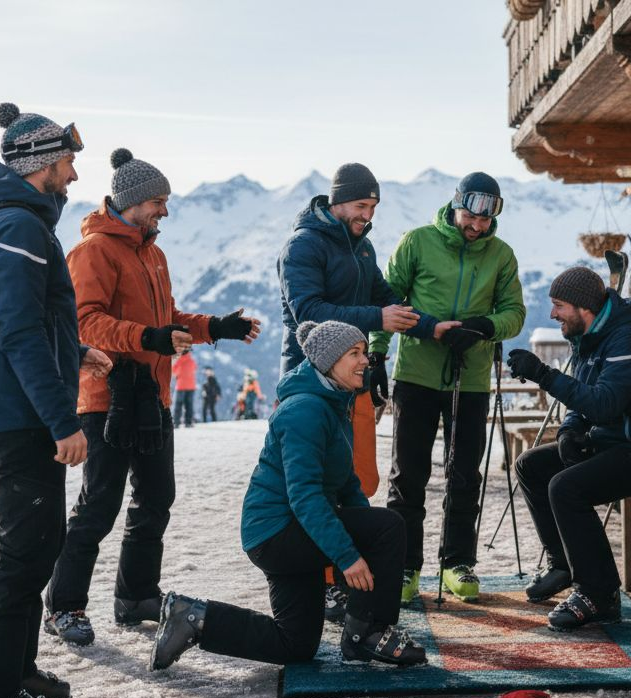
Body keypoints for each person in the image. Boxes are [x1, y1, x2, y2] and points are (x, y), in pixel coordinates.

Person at [45, 148, 261, 648]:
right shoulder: (95, 250)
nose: (164, 211)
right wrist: (148, 339)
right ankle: (63, 605)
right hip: (105, 400)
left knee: (156, 498)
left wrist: (214, 327)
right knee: (98, 506)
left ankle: (136, 596)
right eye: (158, 202)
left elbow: (167, 317)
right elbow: (84, 322)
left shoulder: (151, 251)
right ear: (133, 202)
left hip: (153, 399)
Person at [0, 102, 113, 698]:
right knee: (20, 557)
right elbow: (18, 333)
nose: (74, 175)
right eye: (68, 162)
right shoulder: (17, 226)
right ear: (41, 165)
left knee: (38, 548)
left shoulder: (20, 221)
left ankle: (17, 673)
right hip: (19, 418)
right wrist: (61, 422)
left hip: (21, 412)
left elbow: (29, 324)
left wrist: (78, 349)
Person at [150, 320, 426, 671]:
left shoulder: (332, 403)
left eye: (364, 353)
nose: (365, 362)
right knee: (390, 526)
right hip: (280, 532)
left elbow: (346, 486)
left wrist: (364, 540)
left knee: (295, 644)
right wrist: (348, 555)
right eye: (354, 354)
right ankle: (368, 633)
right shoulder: (306, 411)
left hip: (288, 533)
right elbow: (305, 496)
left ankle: (194, 617)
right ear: (328, 362)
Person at [370, 172, 526, 604]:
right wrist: (377, 355)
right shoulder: (417, 242)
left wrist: (483, 327)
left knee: (464, 475)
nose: (476, 226)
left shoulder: (501, 255)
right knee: (408, 474)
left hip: (470, 378)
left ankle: (457, 562)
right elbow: (388, 302)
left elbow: (514, 313)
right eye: (470, 216)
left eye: (486, 219)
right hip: (417, 374)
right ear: (455, 205)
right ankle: (404, 566)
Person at [507, 266, 631, 632]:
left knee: (566, 487)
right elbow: (585, 396)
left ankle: (599, 593)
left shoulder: (627, 340)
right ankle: (563, 565)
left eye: (558, 305)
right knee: (531, 466)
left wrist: (543, 374)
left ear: (582, 307)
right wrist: (570, 430)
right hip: (614, 442)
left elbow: (604, 404)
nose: (553, 314)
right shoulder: (591, 335)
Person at [277, 163, 457, 497]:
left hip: (352, 377)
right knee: (310, 481)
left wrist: (434, 328)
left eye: (373, 208)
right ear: (337, 203)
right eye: (361, 206)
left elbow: (389, 301)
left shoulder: (362, 248)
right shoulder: (303, 245)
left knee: (355, 479)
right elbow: (308, 312)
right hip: (309, 379)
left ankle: (349, 547)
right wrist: (378, 319)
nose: (367, 215)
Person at [171, 349, 197, 428]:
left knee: (178, 405)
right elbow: (195, 370)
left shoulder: (179, 361)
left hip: (180, 386)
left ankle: (176, 422)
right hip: (191, 386)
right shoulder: (192, 361)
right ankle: (188, 422)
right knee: (189, 405)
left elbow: (173, 371)